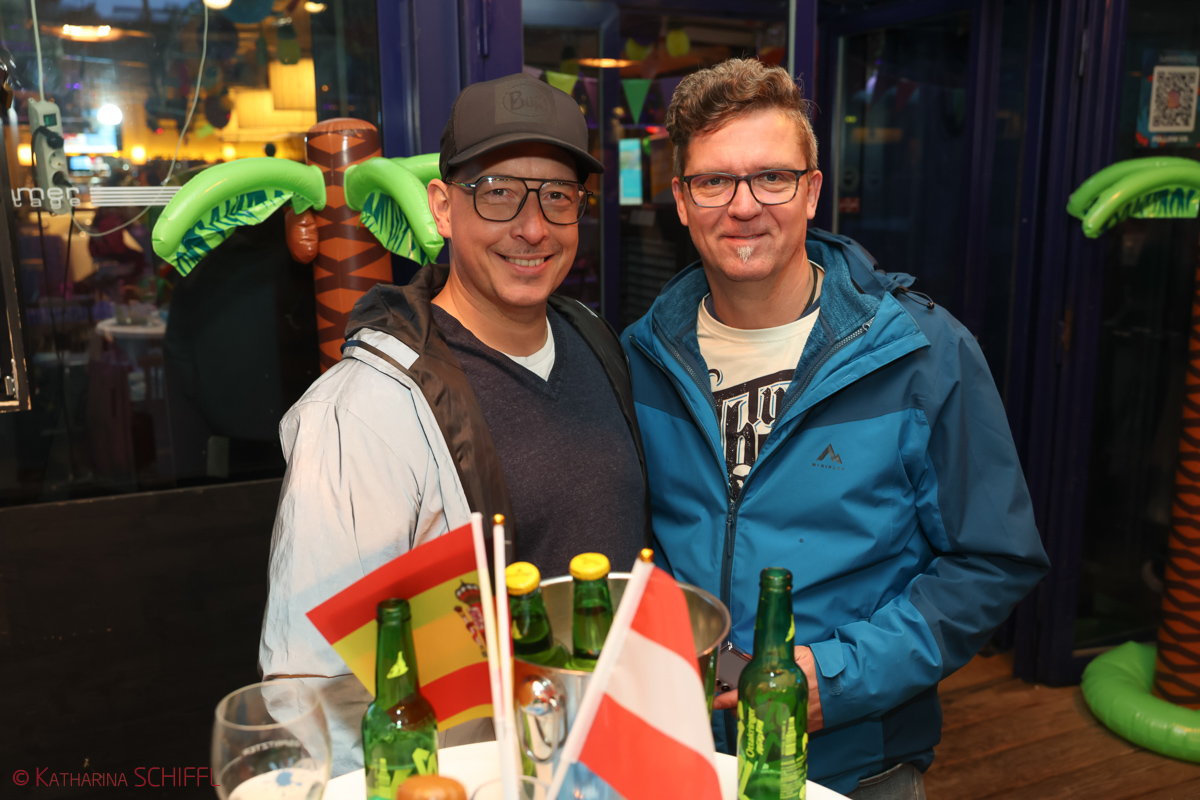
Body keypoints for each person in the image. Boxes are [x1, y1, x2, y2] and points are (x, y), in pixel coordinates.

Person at [621, 58, 1050, 798]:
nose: (744, 206)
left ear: (812, 190)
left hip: (854, 764)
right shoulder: (639, 358)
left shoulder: (923, 355)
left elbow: (993, 560)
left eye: (772, 177)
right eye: (714, 181)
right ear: (682, 201)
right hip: (684, 757)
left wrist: (841, 678)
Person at [259, 73, 649, 776]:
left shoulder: (596, 343)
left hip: (621, 761)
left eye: (557, 196)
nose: (533, 228)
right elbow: (312, 686)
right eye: (497, 192)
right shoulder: (363, 410)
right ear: (443, 206)